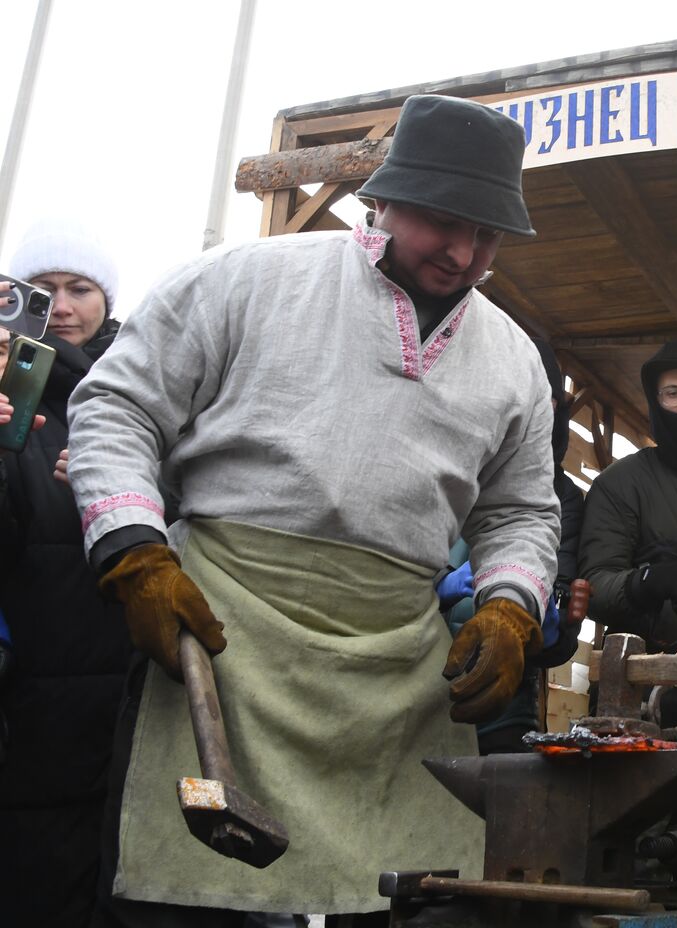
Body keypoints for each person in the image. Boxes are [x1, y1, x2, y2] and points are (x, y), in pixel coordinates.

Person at [67, 95, 560, 923]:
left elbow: (521, 512)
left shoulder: (514, 359)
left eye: (489, 233)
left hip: (397, 674)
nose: (466, 251)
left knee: (405, 897)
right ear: (385, 199)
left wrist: (511, 605)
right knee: (183, 903)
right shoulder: (247, 279)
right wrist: (133, 549)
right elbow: (117, 405)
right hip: (222, 640)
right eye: (444, 220)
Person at [0, 218, 130, 928]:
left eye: (79, 289)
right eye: (40, 292)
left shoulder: (144, 392)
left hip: (121, 682)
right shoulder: (9, 400)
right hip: (28, 695)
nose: (62, 308)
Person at [467, 337, 586, 754]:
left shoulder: (564, 498)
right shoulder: (447, 462)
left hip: (504, 699)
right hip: (409, 678)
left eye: (548, 403)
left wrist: (553, 624)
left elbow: (555, 642)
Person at [579, 338, 677, 654]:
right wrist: (645, 582)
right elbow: (593, 587)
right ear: (656, 399)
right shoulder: (619, 483)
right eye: (673, 394)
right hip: (637, 678)